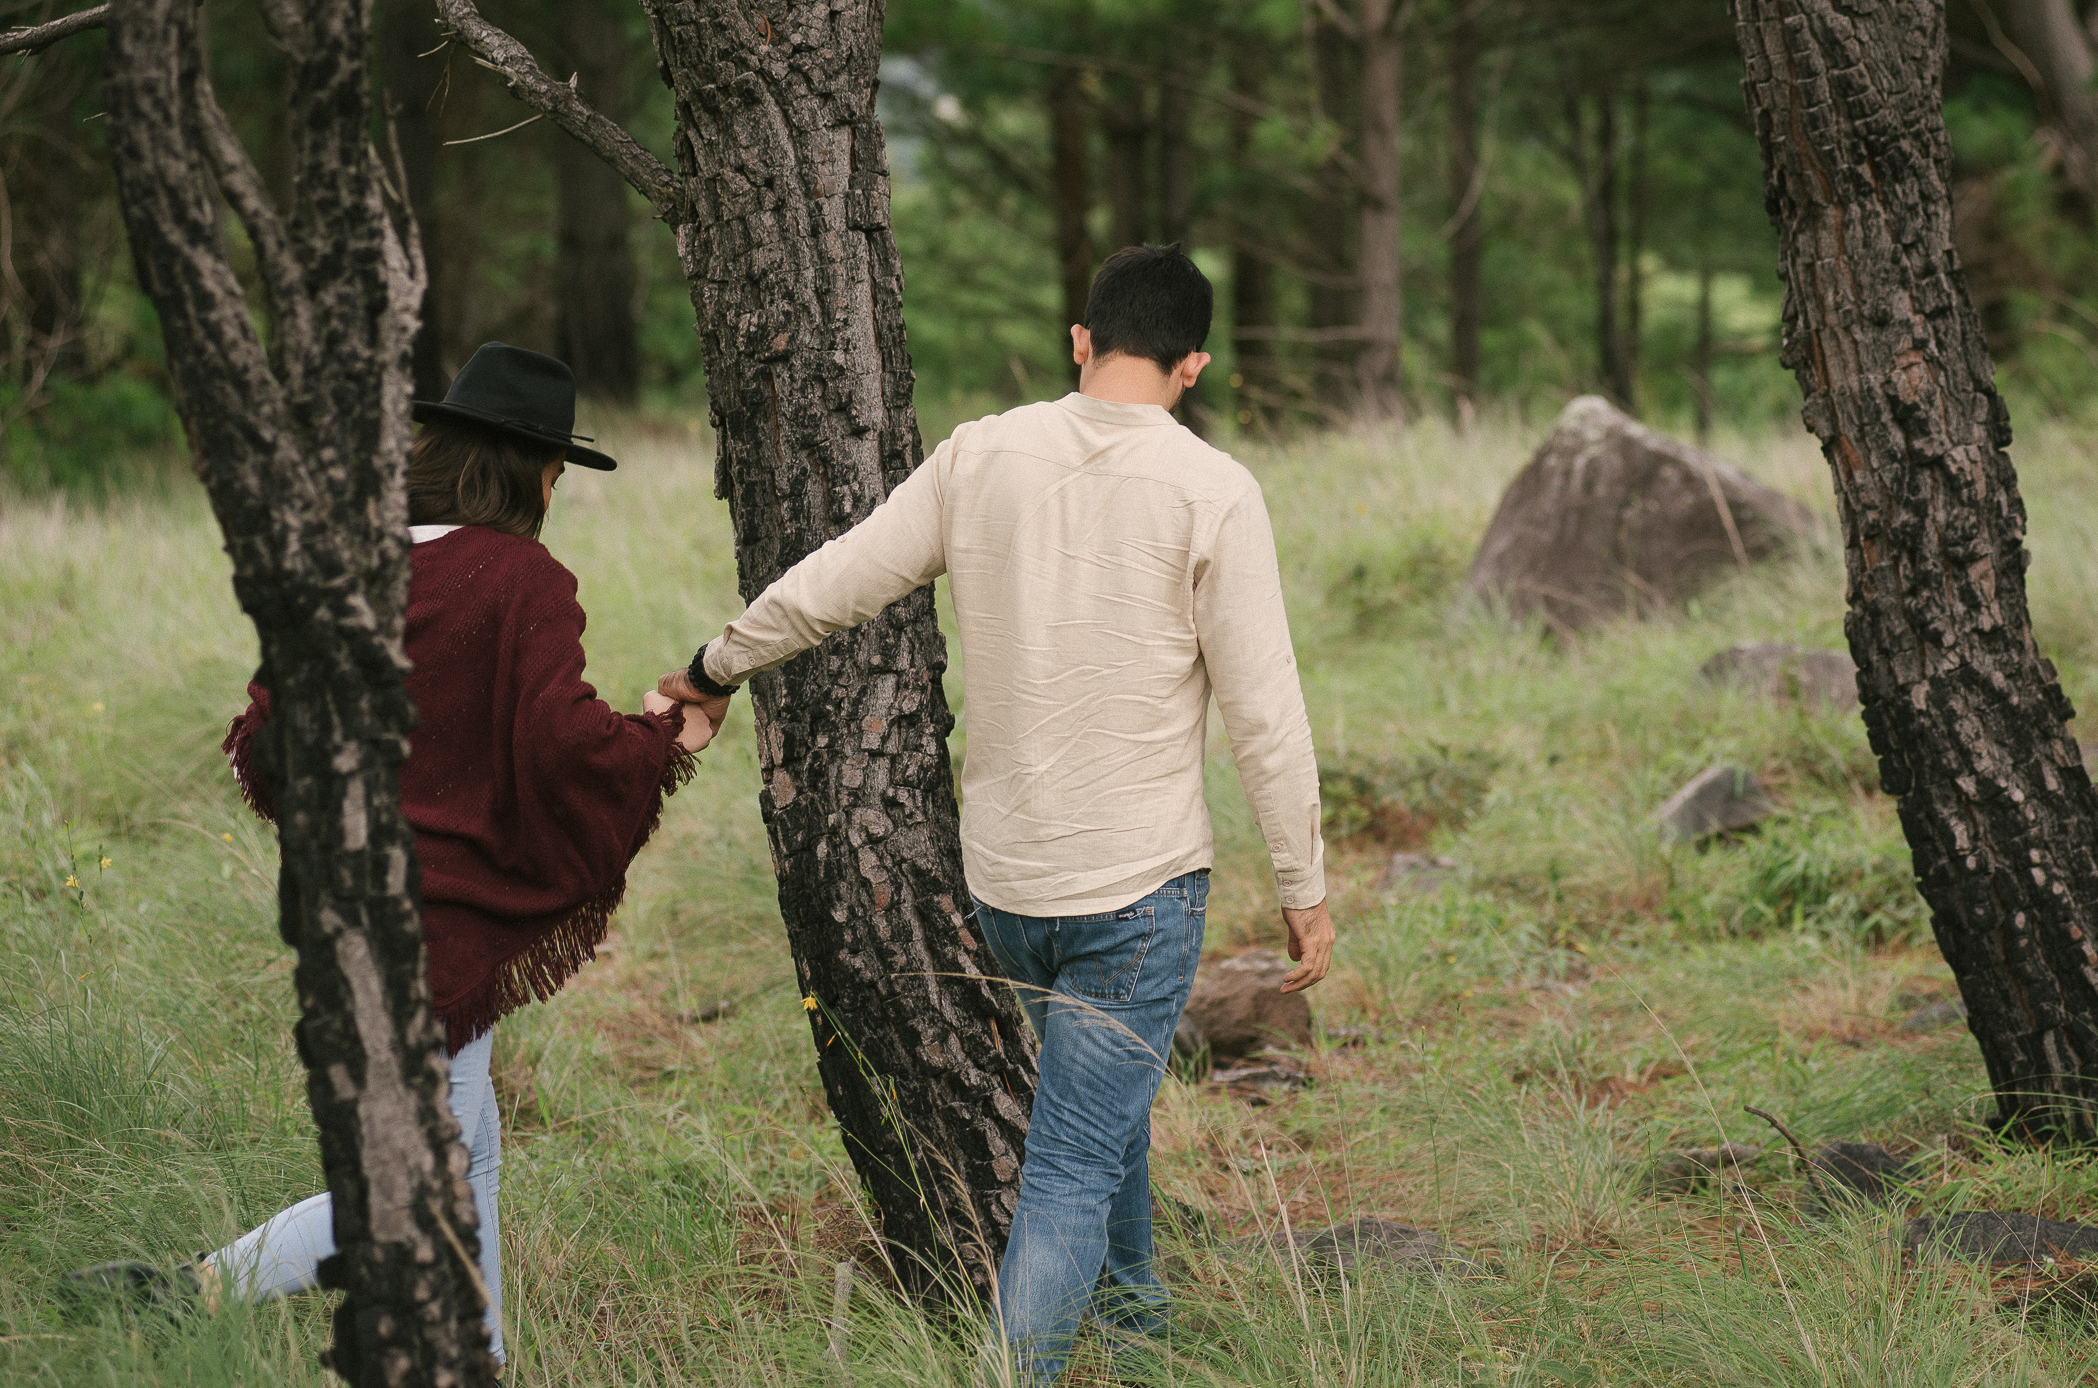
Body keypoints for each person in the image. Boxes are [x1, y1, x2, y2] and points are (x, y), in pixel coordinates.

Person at [658, 244, 1334, 1383]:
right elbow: (1267, 714)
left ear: (1083, 341)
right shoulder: (1214, 489)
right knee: (1070, 1158)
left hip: (1007, 888)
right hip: (1137, 891)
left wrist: (715, 668)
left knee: (1093, 1117)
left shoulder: (982, 454)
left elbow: (839, 579)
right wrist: (1305, 889)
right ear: (1195, 365)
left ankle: (1137, 1328)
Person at [62, 344, 720, 1365]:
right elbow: (560, 743)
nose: (553, 493)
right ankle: (194, 1292)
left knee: (467, 1159)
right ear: (532, 469)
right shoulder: (519, 576)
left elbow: (270, 727)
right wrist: (665, 739)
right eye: (553, 472)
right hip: (440, 934)